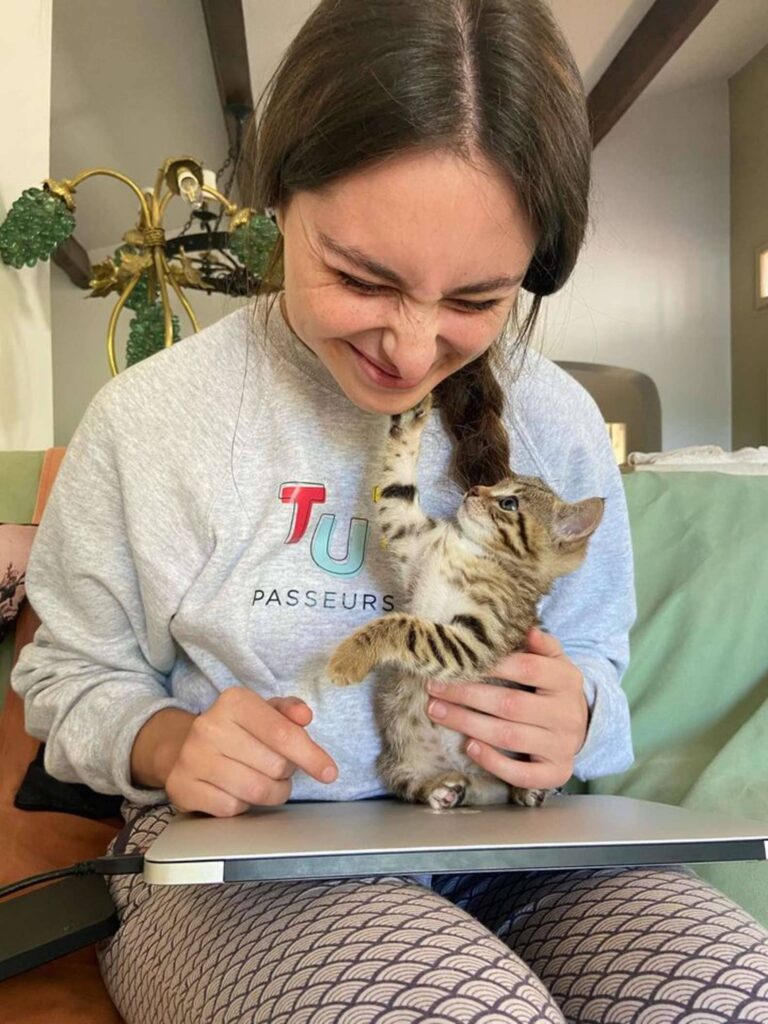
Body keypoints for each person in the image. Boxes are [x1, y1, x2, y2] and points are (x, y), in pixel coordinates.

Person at [12, 1, 768, 1021]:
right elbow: (68, 675)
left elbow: (596, 661)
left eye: (473, 301)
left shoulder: (561, 425)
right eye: (362, 277)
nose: (410, 350)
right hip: (247, 869)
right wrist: (164, 741)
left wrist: (575, 716)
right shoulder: (152, 421)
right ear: (277, 200)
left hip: (525, 845)